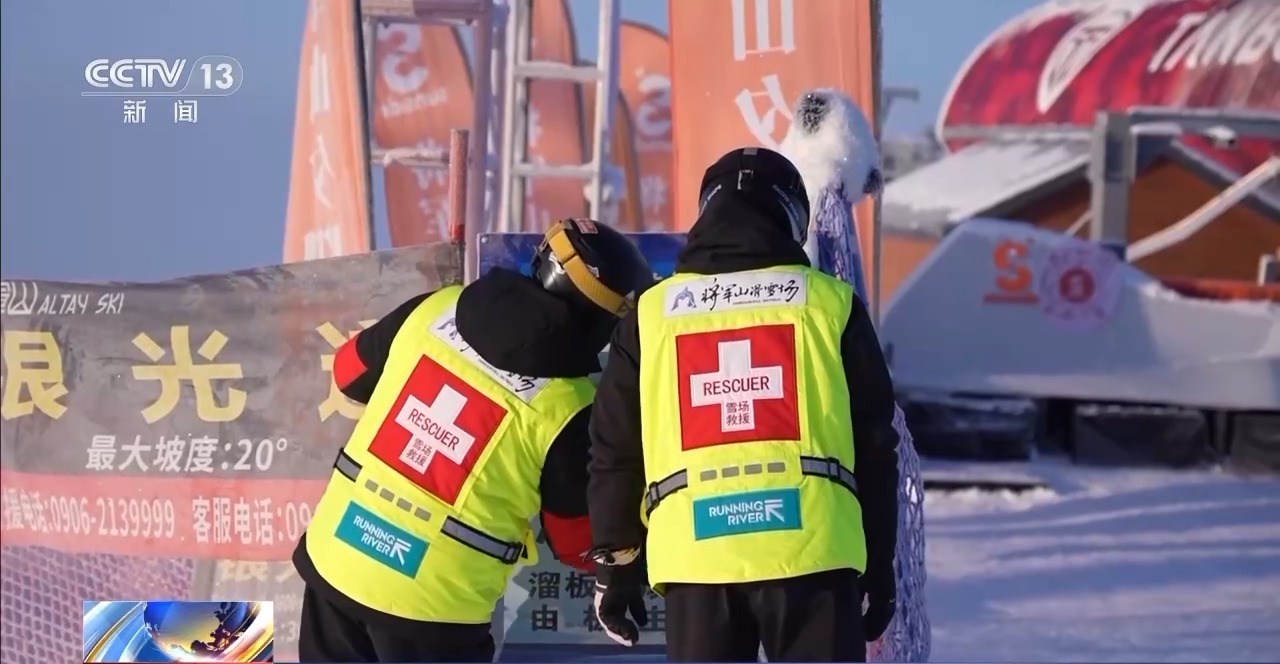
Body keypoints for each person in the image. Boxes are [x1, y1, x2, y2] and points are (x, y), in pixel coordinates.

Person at [586, 147, 901, 663]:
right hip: (815, 555)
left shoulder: (651, 315)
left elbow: (616, 448)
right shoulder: (830, 303)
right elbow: (875, 444)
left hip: (696, 561)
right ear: (792, 217)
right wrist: (881, 563)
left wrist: (616, 565)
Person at [292, 218, 655, 663]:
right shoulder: (570, 407)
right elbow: (575, 541)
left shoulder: (436, 308)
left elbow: (348, 372)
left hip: (337, 560)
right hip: (433, 606)